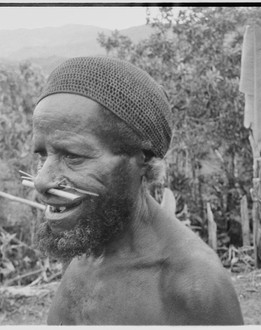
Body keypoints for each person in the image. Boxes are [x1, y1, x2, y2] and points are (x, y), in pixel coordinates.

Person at [30, 56, 244, 325]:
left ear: (141, 158)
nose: (41, 181)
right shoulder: (87, 248)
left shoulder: (192, 286)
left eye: (73, 156)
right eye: (42, 156)